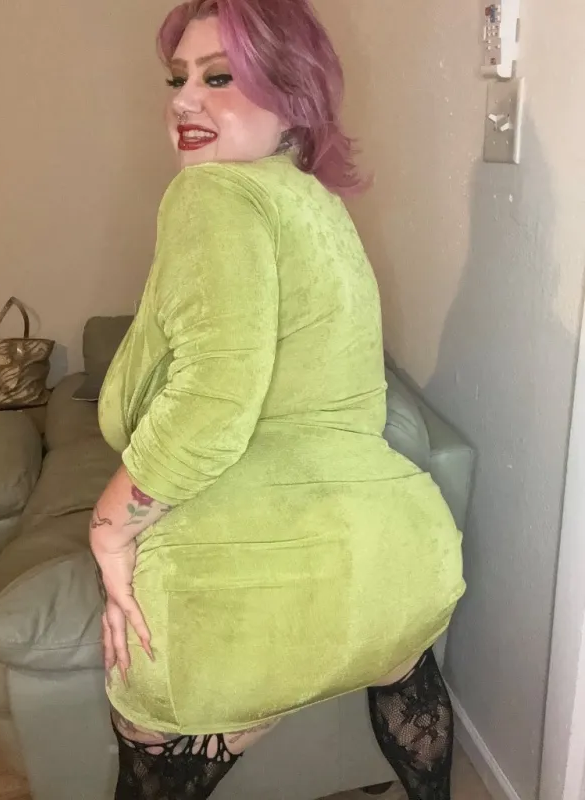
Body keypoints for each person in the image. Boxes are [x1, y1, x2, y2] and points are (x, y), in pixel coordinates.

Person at [89, 0, 465, 798]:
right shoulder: (319, 205)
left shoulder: (211, 196)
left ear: (294, 96)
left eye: (219, 77)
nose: (185, 101)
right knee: (404, 682)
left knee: (147, 729)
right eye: (178, 79)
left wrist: (109, 529)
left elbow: (211, 406)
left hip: (245, 580)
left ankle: (232, 722)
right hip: (400, 559)